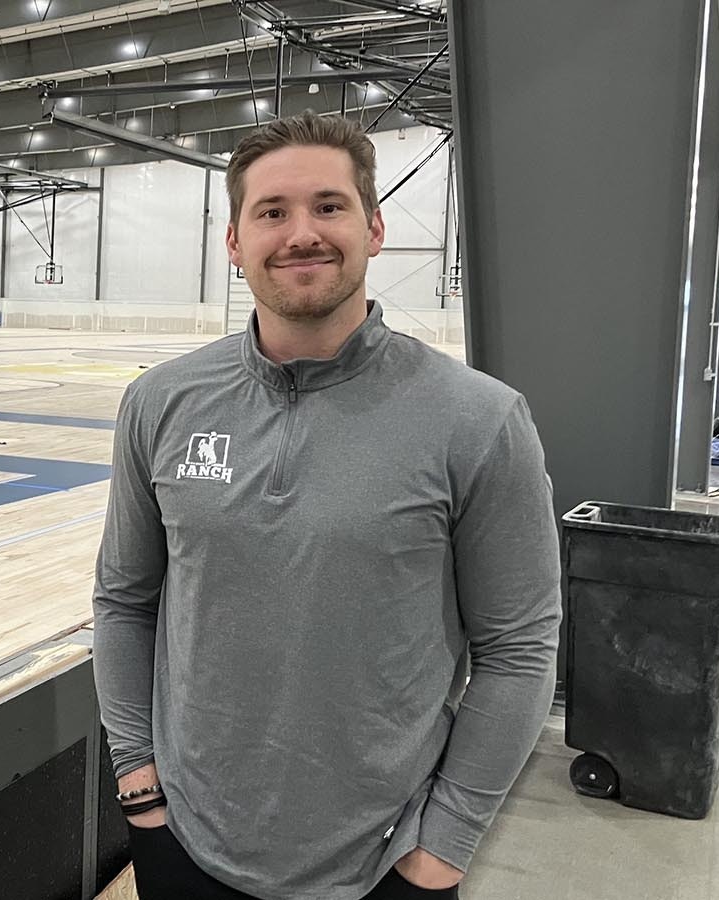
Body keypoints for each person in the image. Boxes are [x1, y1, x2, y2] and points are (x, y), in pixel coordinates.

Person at [92, 111, 563, 900]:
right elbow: (123, 601)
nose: (301, 233)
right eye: (271, 212)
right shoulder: (160, 403)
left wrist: (444, 846)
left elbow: (519, 648)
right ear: (235, 243)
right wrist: (139, 786)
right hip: (186, 845)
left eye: (329, 206)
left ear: (375, 229)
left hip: (384, 865)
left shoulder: (478, 419)